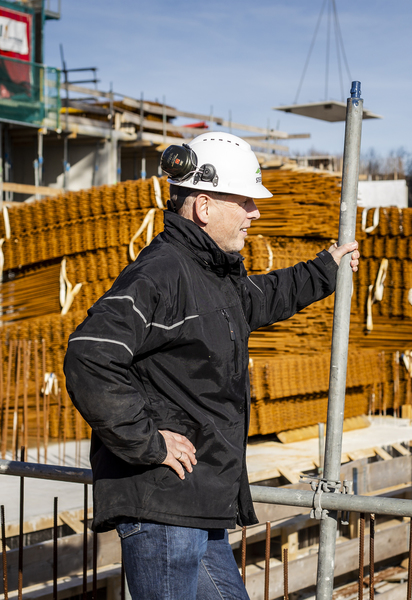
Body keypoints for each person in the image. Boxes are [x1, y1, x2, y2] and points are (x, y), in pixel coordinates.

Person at [64, 132, 360, 600]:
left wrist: (325, 268)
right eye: (244, 201)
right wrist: (148, 443)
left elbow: (263, 298)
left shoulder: (210, 275)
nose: (254, 213)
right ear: (204, 207)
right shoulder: (161, 272)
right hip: (164, 508)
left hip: (198, 504)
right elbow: (90, 354)